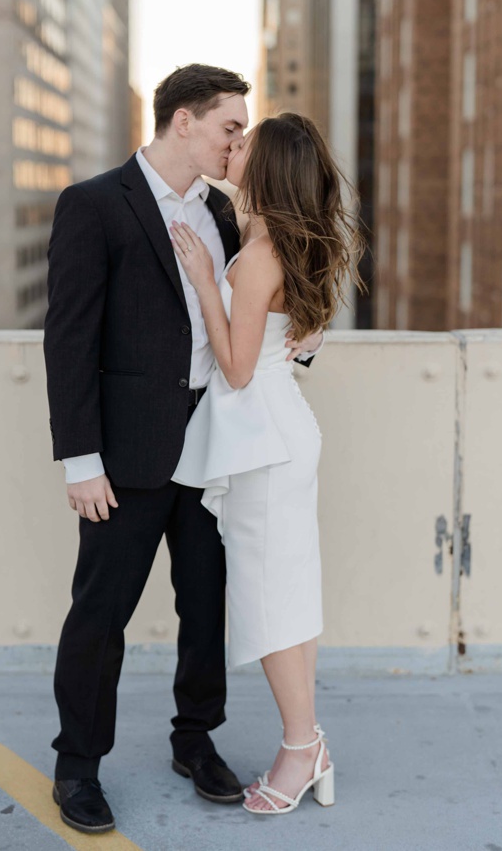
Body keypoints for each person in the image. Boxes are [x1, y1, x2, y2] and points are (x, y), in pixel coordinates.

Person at [44, 65, 324, 834]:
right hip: (126, 456)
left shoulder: (227, 218)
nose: (239, 143)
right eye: (231, 128)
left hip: (218, 451)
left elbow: (257, 313)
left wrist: (300, 346)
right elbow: (67, 341)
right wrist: (81, 459)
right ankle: (78, 766)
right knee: (100, 612)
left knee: (207, 610)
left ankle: (195, 741)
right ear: (183, 123)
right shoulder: (94, 205)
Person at [169, 111, 363, 815]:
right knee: (290, 592)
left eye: (246, 141)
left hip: (261, 439)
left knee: (270, 599)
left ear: (269, 166)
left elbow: (238, 368)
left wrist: (201, 279)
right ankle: (308, 742)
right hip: (281, 433)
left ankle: (300, 745)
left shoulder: (256, 257)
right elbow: (301, 340)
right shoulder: (275, 240)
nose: (234, 145)